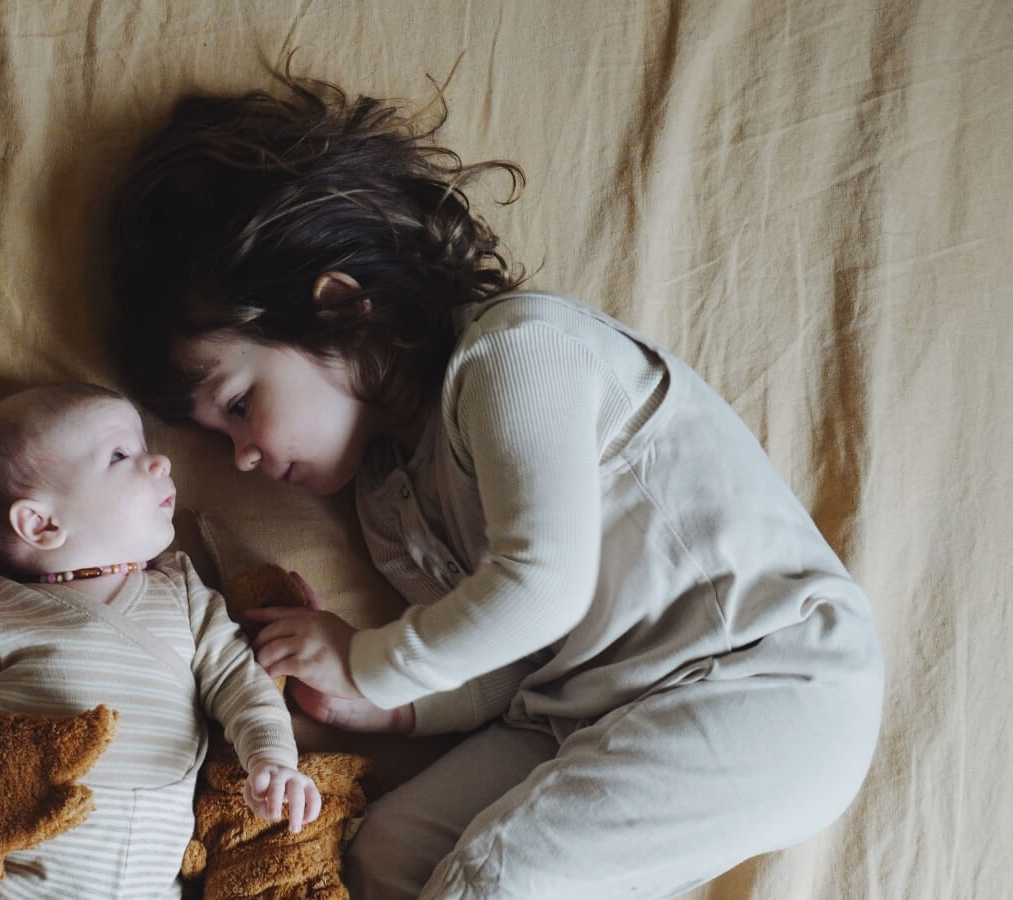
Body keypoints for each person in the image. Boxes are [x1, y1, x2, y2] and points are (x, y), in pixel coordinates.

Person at [106, 74, 884, 900]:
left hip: (762, 683)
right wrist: (400, 710)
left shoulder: (517, 355)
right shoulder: (384, 498)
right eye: (220, 438)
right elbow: (507, 660)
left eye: (239, 405)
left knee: (498, 878)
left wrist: (372, 663)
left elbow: (540, 588)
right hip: (579, 711)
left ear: (342, 310)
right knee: (386, 856)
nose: (243, 458)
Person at [0, 381, 323, 899]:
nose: (158, 461)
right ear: (42, 523)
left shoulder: (182, 591)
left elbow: (241, 682)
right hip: (19, 882)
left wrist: (272, 758)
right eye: (120, 454)